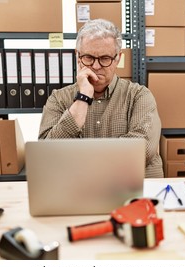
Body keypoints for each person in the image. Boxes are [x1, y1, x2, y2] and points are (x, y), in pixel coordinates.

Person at [38, 19, 163, 178]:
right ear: (78, 56)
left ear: (118, 58)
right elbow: (46, 154)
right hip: (78, 190)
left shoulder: (139, 96)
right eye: (89, 57)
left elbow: (141, 150)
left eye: (105, 58)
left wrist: (78, 160)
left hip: (132, 189)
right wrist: (82, 98)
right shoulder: (58, 99)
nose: (96, 66)